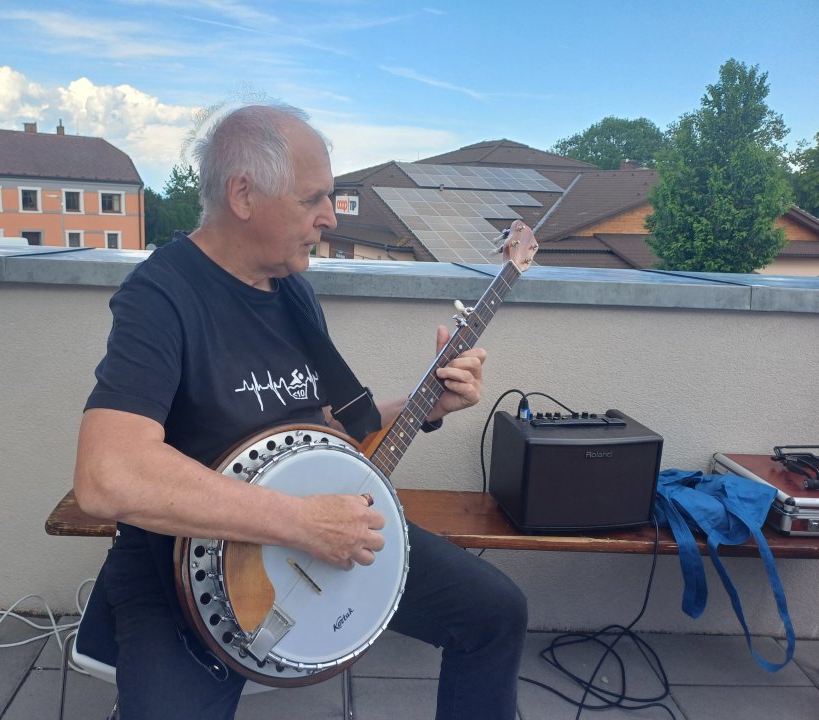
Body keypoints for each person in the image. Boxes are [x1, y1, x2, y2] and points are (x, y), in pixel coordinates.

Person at [73, 103, 527, 720]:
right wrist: (299, 522)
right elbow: (108, 475)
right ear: (243, 195)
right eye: (313, 199)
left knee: (495, 613)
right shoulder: (162, 296)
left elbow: (323, 435)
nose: (330, 217)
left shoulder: (293, 292)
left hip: (307, 539)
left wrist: (423, 405)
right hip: (178, 573)